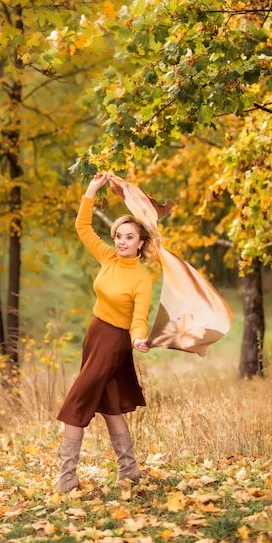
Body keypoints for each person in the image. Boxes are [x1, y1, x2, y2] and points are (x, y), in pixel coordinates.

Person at [56, 172, 154, 492]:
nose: (121, 241)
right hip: (95, 335)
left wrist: (139, 337)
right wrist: (91, 190)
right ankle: (129, 470)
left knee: (76, 405)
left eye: (129, 237)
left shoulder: (142, 279)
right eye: (119, 235)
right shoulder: (109, 259)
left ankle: (67, 478)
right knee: (111, 404)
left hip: (114, 343)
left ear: (141, 243)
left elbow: (139, 318)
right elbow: (82, 227)